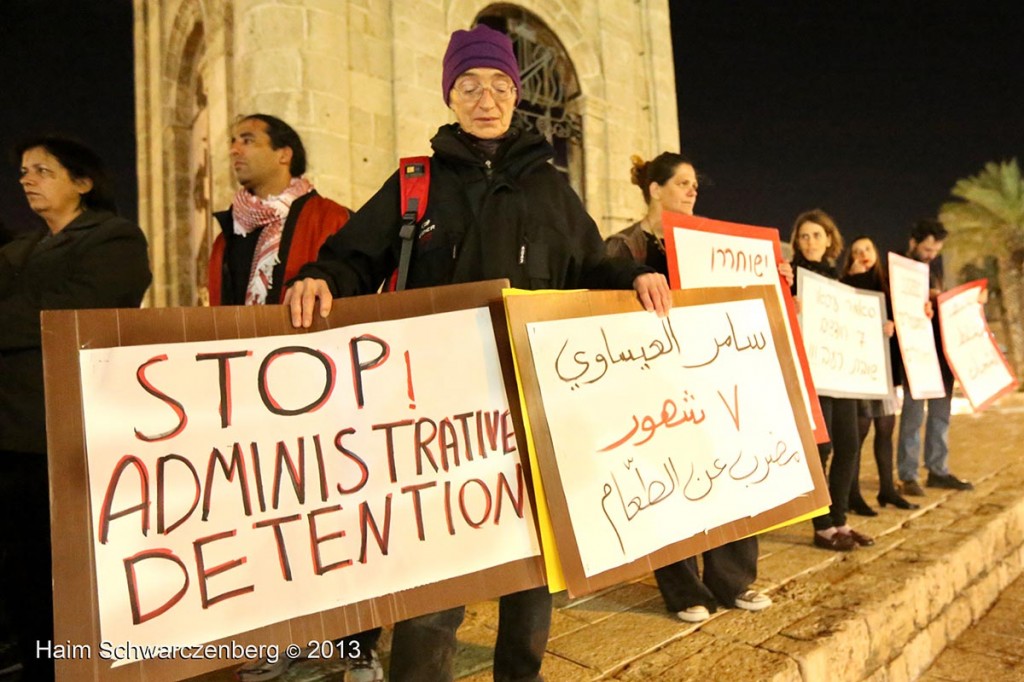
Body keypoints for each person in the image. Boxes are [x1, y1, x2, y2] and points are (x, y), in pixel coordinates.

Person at [284, 24, 671, 681]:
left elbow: (589, 263)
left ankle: (521, 673)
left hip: (531, 400)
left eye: (498, 85)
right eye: (469, 86)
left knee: (530, 561)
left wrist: (635, 275)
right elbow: (353, 256)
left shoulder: (549, 189)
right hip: (438, 410)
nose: (485, 98)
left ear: (516, 95)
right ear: (450, 96)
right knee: (437, 568)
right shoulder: (415, 182)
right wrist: (319, 278)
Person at [0, 135, 151, 681]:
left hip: (65, 431)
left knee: (65, 574)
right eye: (22, 171)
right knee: (22, 576)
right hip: (11, 434)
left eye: (43, 170)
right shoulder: (18, 250)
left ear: (82, 182)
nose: (26, 179)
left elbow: (75, 312)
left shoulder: (114, 238)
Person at [607, 152, 774, 623]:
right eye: (682, 182)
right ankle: (684, 589)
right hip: (656, 387)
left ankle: (733, 580)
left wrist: (772, 281)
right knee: (670, 484)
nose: (692, 190)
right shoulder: (622, 247)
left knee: (734, 471)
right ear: (655, 189)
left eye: (695, 183)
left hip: (716, 380)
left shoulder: (716, 244)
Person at [790, 210, 874, 552]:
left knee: (849, 446)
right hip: (810, 376)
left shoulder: (837, 281)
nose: (810, 242)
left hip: (840, 374)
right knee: (821, 449)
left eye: (816, 235)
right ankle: (822, 526)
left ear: (829, 240)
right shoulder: (788, 276)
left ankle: (840, 520)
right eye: (804, 236)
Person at [209, 114, 351, 306]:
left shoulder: (332, 218)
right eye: (233, 142)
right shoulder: (229, 234)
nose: (234, 150)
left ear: (284, 154)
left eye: (247, 140)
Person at [841, 236, 919, 512]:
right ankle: (852, 494)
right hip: (861, 370)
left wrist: (894, 326)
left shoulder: (889, 286)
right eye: (856, 251)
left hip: (884, 369)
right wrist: (856, 278)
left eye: (867, 249)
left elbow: (909, 315)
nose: (863, 254)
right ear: (850, 258)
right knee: (859, 433)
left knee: (885, 429)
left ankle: (887, 489)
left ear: (876, 253)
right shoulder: (845, 284)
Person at [895, 220, 972, 495]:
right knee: (913, 416)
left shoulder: (935, 269)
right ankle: (908, 475)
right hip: (917, 353)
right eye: (927, 248)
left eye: (936, 250)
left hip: (942, 354)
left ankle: (938, 470)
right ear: (914, 242)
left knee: (941, 416)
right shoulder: (899, 268)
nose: (931, 254)